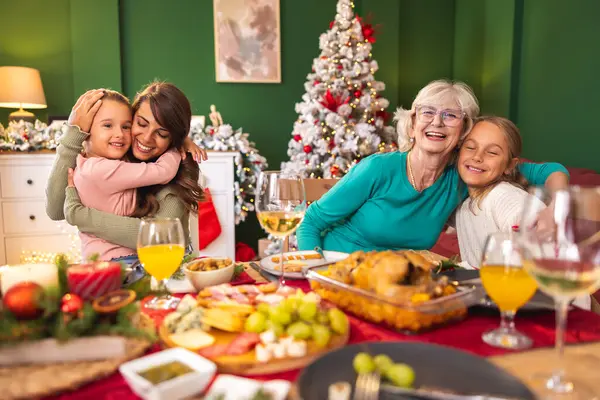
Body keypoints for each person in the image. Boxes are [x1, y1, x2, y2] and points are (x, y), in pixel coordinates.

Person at [296, 80, 569, 254]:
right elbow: (312, 222)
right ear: (413, 124)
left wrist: (556, 207)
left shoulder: (464, 175)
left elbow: (550, 170)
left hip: (393, 283)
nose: (437, 123)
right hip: (337, 270)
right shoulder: (378, 169)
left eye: (450, 116)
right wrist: (313, 273)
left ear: (464, 130)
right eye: (428, 112)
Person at [45, 82, 208, 262]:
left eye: (162, 134)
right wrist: (73, 135)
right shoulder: (111, 158)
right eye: (141, 123)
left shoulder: (180, 170)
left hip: (166, 272)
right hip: (119, 269)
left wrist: (81, 216)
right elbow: (55, 210)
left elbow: (160, 238)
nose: (147, 138)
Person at [72, 89, 183, 261]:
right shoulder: (101, 170)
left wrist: (179, 136)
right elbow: (164, 171)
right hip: (118, 261)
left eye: (126, 126)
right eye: (107, 125)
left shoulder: (97, 161)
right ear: (86, 131)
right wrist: (177, 147)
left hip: (107, 260)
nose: (119, 134)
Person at [454, 116, 546, 268]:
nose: (477, 157)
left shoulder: (505, 197)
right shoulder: (464, 203)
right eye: (470, 147)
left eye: (492, 152)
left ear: (510, 165)